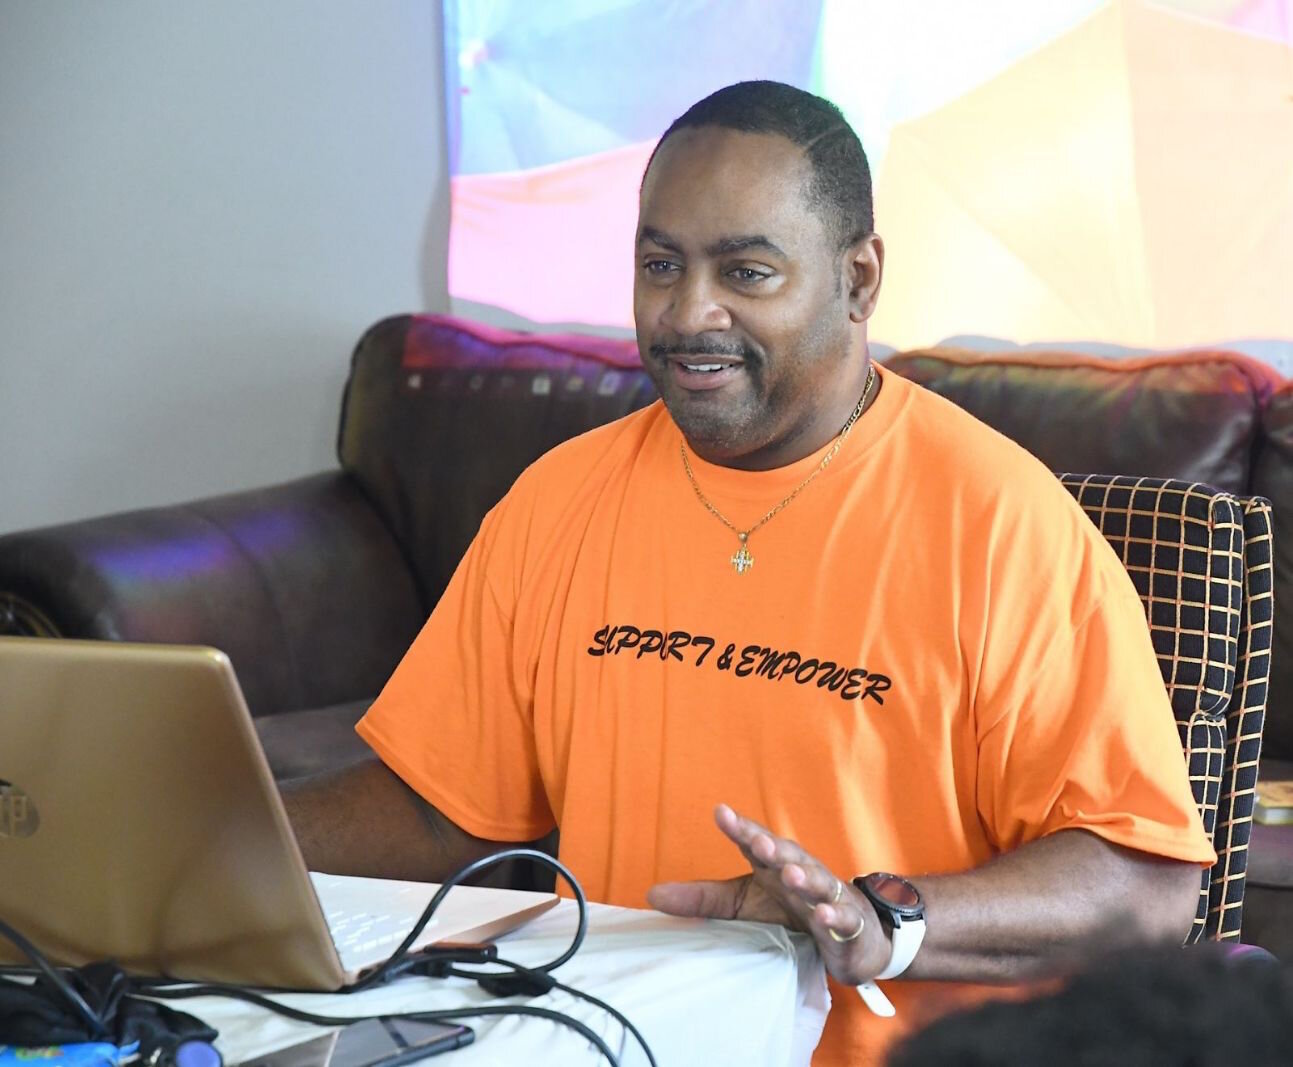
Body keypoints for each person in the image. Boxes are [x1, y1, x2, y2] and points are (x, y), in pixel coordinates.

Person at [284, 81, 1215, 1064]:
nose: (690, 313)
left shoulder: (1002, 528)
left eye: (748, 271)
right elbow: (442, 804)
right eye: (660, 263)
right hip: (603, 1042)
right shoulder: (559, 500)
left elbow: (1147, 891)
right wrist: (200, 828)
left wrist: (883, 919)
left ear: (857, 282)